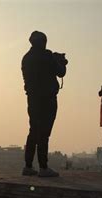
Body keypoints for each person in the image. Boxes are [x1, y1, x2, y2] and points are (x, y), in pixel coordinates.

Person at [21, 31, 67, 177]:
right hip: (47, 99)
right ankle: (43, 167)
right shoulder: (46, 56)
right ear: (43, 42)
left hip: (33, 99)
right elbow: (61, 72)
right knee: (44, 133)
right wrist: (61, 62)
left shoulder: (26, 58)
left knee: (33, 131)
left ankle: (28, 166)